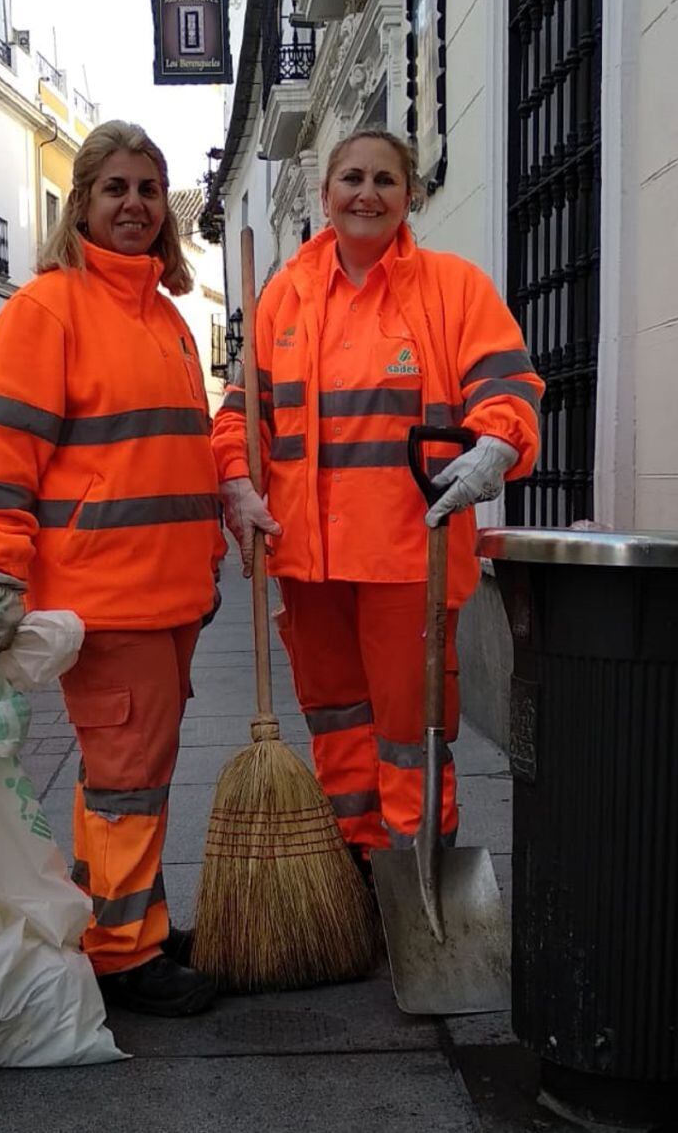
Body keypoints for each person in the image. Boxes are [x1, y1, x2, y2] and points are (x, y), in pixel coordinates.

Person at [211, 128, 542, 878]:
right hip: (308, 557)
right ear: (324, 195)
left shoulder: (453, 288)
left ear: (410, 196)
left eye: (386, 180)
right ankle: (359, 869)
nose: (367, 193)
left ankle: (419, 870)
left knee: (410, 731)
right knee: (337, 725)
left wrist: (498, 443)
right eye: (352, 178)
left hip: (408, 556)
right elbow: (243, 413)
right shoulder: (283, 298)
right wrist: (235, 479)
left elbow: (507, 386)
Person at [0, 120, 225, 1017]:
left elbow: (174, 459)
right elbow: (3, 451)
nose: (136, 206)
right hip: (107, 595)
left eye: (149, 190)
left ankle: (132, 917)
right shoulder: (48, 309)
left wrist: (211, 560)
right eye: (116, 190)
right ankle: (120, 952)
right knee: (125, 775)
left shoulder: (169, 320)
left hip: (169, 593)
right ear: (82, 207)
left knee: (137, 769)